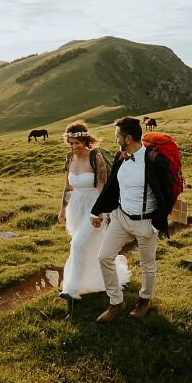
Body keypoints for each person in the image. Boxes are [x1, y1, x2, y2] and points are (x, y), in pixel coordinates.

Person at [90, 117, 174, 323]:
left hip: (146, 222)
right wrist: (97, 211)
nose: (115, 138)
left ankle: (144, 301)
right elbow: (111, 187)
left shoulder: (154, 160)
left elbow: (168, 195)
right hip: (121, 217)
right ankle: (116, 303)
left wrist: (156, 224)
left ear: (127, 138)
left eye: (117, 135)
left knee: (147, 264)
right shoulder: (121, 156)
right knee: (104, 257)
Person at [58, 120, 130, 302]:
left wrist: (99, 212)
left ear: (86, 141)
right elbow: (68, 187)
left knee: (79, 244)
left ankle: (71, 289)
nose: (74, 147)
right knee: (86, 246)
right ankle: (96, 279)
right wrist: (62, 210)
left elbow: (102, 186)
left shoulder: (95, 157)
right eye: (71, 143)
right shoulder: (69, 158)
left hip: (94, 205)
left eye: (77, 143)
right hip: (76, 208)